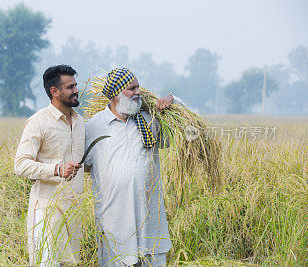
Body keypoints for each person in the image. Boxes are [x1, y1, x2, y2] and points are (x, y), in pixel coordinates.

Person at [85, 67, 186, 266]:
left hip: (150, 223)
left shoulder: (150, 121)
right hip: (115, 224)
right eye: (132, 88)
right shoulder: (93, 127)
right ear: (115, 95)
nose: (138, 92)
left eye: (138, 87)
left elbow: (189, 128)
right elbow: (82, 165)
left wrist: (175, 101)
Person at [14, 65, 84, 266]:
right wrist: (56, 169)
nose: (76, 90)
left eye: (76, 85)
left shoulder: (80, 123)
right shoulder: (38, 121)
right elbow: (20, 165)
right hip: (47, 212)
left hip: (75, 211)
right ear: (54, 91)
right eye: (70, 87)